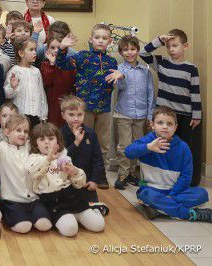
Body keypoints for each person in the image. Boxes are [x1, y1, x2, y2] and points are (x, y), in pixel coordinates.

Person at [56, 24, 117, 187]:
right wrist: (62, 48)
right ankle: (80, 174)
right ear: (91, 39)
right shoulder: (83, 56)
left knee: (103, 144)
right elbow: (61, 65)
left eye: (104, 38)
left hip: (104, 110)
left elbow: (118, 81)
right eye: (97, 37)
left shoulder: (112, 62)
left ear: (110, 41)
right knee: (83, 142)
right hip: (84, 111)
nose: (100, 41)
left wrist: (122, 75)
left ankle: (100, 175)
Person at [125, 106, 211, 222]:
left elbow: (186, 177)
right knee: (146, 195)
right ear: (152, 125)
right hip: (151, 190)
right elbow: (128, 152)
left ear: (175, 127)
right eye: (160, 123)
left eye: (169, 124)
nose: (165, 127)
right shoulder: (147, 141)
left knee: (202, 193)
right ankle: (190, 214)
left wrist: (171, 195)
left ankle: (159, 208)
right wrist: (148, 147)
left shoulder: (183, 147)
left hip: (175, 191)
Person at [140, 29, 202, 186]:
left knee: (185, 148)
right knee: (163, 145)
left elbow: (195, 92)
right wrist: (159, 40)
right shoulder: (161, 63)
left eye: (175, 45)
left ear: (185, 46)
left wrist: (197, 115)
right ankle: (162, 178)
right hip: (164, 115)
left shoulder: (191, 68)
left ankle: (190, 181)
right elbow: (143, 52)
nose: (171, 49)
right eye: (168, 46)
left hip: (185, 115)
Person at [0, 112, 53, 234]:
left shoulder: (30, 148)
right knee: (24, 227)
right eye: (18, 130)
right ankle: (7, 213)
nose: (22, 134)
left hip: (33, 200)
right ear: (7, 132)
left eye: (26, 131)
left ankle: (29, 215)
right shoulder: (2, 149)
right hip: (12, 201)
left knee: (45, 225)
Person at [27, 123, 105, 237]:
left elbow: (79, 184)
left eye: (51, 138)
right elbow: (33, 172)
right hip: (54, 202)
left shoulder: (63, 155)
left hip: (73, 197)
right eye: (42, 139)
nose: (47, 142)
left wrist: (75, 172)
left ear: (57, 142)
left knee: (99, 225)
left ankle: (94, 209)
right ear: (36, 144)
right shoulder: (33, 158)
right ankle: (70, 218)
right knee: (70, 230)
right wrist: (48, 158)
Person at [107, 35, 155, 189]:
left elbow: (150, 93)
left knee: (137, 144)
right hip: (124, 113)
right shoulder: (119, 69)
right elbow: (119, 88)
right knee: (124, 145)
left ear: (138, 50)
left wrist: (150, 115)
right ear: (121, 52)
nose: (130, 52)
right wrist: (121, 77)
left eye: (133, 49)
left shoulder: (145, 71)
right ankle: (123, 173)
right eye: (125, 50)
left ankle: (132, 172)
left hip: (141, 115)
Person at [59, 96, 109, 215]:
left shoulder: (90, 133)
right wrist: (76, 143)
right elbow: (61, 159)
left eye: (80, 114)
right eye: (71, 115)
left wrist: (94, 180)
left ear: (84, 114)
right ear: (63, 115)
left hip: (86, 183)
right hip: (65, 183)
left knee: (94, 213)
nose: (76, 118)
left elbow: (97, 159)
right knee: (67, 211)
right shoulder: (59, 134)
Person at [4, 37, 47, 127]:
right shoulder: (14, 71)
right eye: (31, 50)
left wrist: (43, 115)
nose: (35, 52)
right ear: (21, 53)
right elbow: (7, 95)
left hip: (36, 114)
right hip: (20, 114)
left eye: (35, 49)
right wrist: (12, 87)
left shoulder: (36, 71)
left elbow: (41, 94)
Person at [41, 30, 76, 127]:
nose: (56, 50)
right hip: (52, 102)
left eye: (59, 47)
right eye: (52, 48)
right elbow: (47, 81)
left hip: (67, 100)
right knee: (53, 126)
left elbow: (73, 82)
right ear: (47, 49)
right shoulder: (45, 64)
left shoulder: (70, 63)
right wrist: (52, 64)